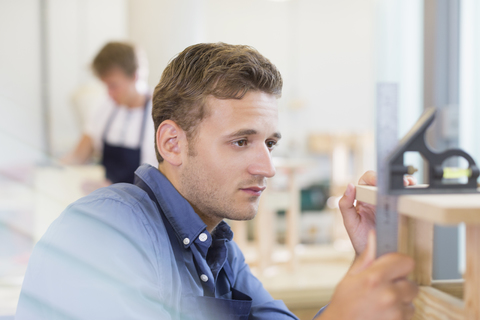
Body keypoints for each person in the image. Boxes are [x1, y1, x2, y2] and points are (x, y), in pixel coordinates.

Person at [16, 43, 417, 320]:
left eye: (270, 143)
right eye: (241, 141)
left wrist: (366, 262)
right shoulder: (108, 228)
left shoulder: (218, 249)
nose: (267, 167)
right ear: (172, 143)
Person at [62, 41, 157, 184]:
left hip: (143, 203)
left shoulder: (158, 114)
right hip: (108, 200)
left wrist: (114, 189)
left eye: (113, 85)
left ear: (135, 76)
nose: (109, 93)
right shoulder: (105, 105)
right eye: (106, 86)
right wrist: (44, 169)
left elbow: (159, 181)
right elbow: (78, 155)